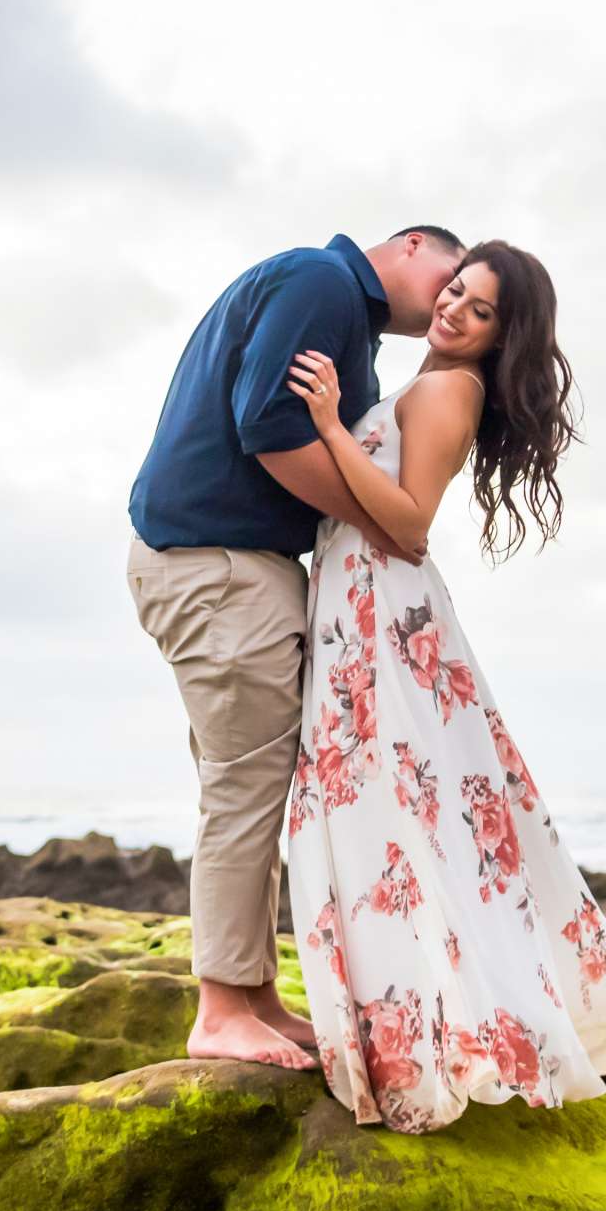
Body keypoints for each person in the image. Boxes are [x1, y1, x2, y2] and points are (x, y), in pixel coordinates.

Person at [279, 239, 606, 1132]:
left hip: (384, 613)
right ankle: (419, 1041)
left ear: (504, 338)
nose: (458, 308)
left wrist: (334, 427)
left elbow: (409, 526)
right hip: (365, 612)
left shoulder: (448, 388)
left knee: (385, 828)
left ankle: (424, 1049)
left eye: (484, 309)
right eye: (457, 289)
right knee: (392, 829)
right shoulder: (427, 382)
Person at [126, 227, 467, 1071]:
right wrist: (376, 520)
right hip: (217, 561)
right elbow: (268, 423)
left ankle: (252, 996)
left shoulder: (339, 316)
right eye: (452, 280)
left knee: (254, 779)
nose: (449, 306)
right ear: (413, 244)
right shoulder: (324, 284)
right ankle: (218, 1010)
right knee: (246, 783)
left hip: (231, 565)